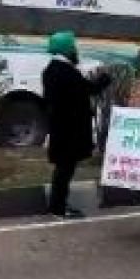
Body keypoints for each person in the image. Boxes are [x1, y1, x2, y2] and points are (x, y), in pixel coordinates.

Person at [43, 31, 111, 218]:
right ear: (66, 49)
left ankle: (57, 205)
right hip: (68, 130)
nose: (75, 51)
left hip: (61, 129)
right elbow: (87, 89)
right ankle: (58, 207)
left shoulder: (52, 70)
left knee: (64, 168)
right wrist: (104, 79)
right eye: (73, 47)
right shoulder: (64, 71)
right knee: (65, 169)